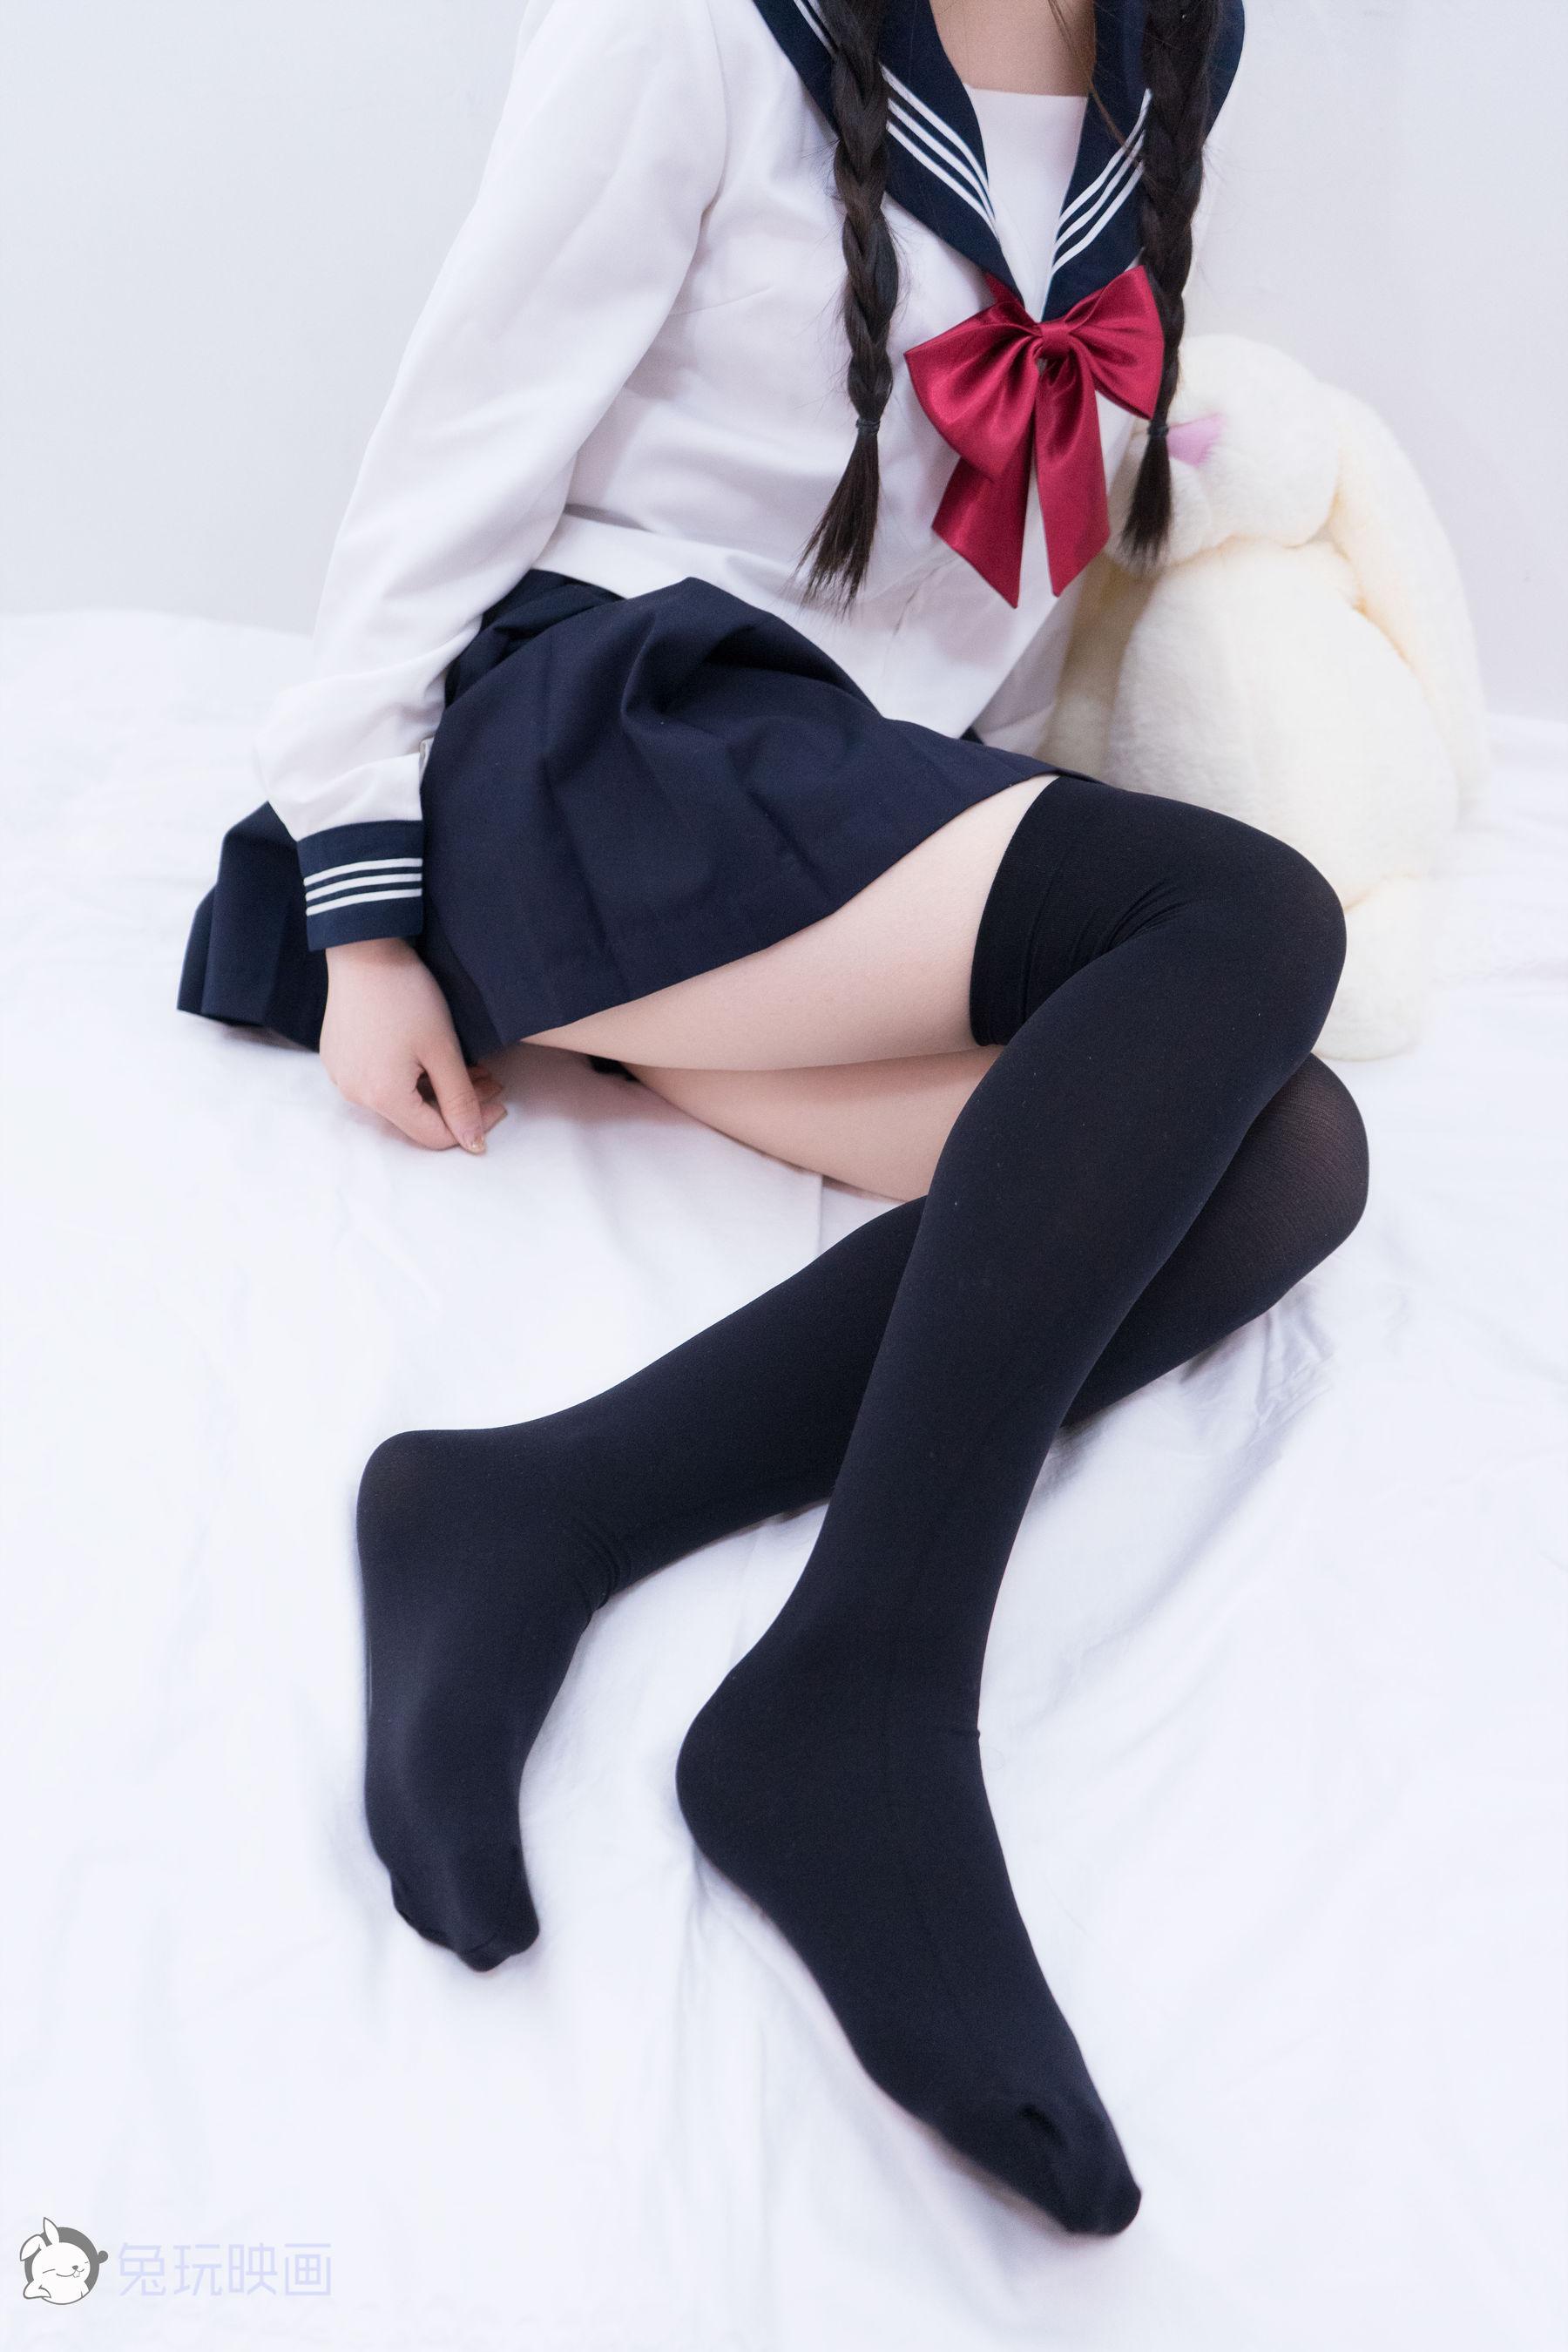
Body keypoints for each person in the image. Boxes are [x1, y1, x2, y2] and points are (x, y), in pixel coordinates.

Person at [179, 0, 1369, 2234]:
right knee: (1249, 916)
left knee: (1286, 1156)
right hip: (598, 741)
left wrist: (982, 849)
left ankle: (531, 1506)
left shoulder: (1174, 44)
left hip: (837, 805)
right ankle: (867, 1688)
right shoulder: (680, 27)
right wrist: (361, 912)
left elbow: (1001, 561)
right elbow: (450, 444)